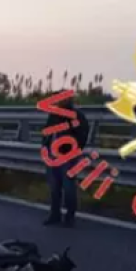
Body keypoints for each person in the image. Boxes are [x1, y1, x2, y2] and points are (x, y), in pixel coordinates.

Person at [41, 94, 90, 227]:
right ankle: (55, 214)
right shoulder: (54, 115)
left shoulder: (76, 116)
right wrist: (45, 146)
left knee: (68, 187)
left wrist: (74, 149)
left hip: (68, 156)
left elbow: (83, 133)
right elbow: (46, 132)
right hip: (53, 155)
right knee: (54, 187)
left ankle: (69, 217)